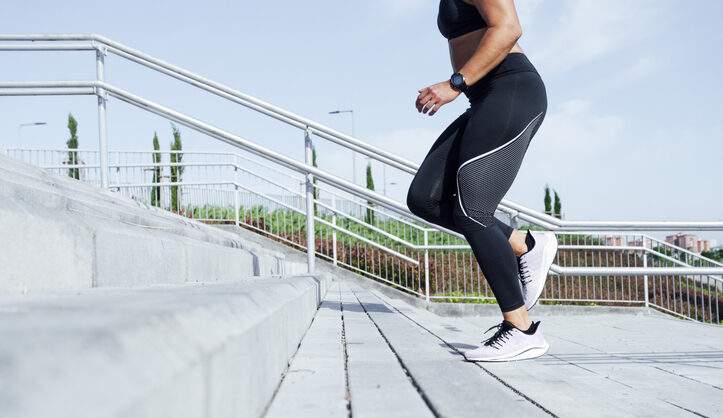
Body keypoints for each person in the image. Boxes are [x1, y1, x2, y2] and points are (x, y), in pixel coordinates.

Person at [407, 0, 558, 362]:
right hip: (485, 97)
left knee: (473, 211)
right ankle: (523, 244)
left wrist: (455, 83)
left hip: (511, 90)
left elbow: (508, 27)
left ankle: (521, 328)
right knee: (424, 198)